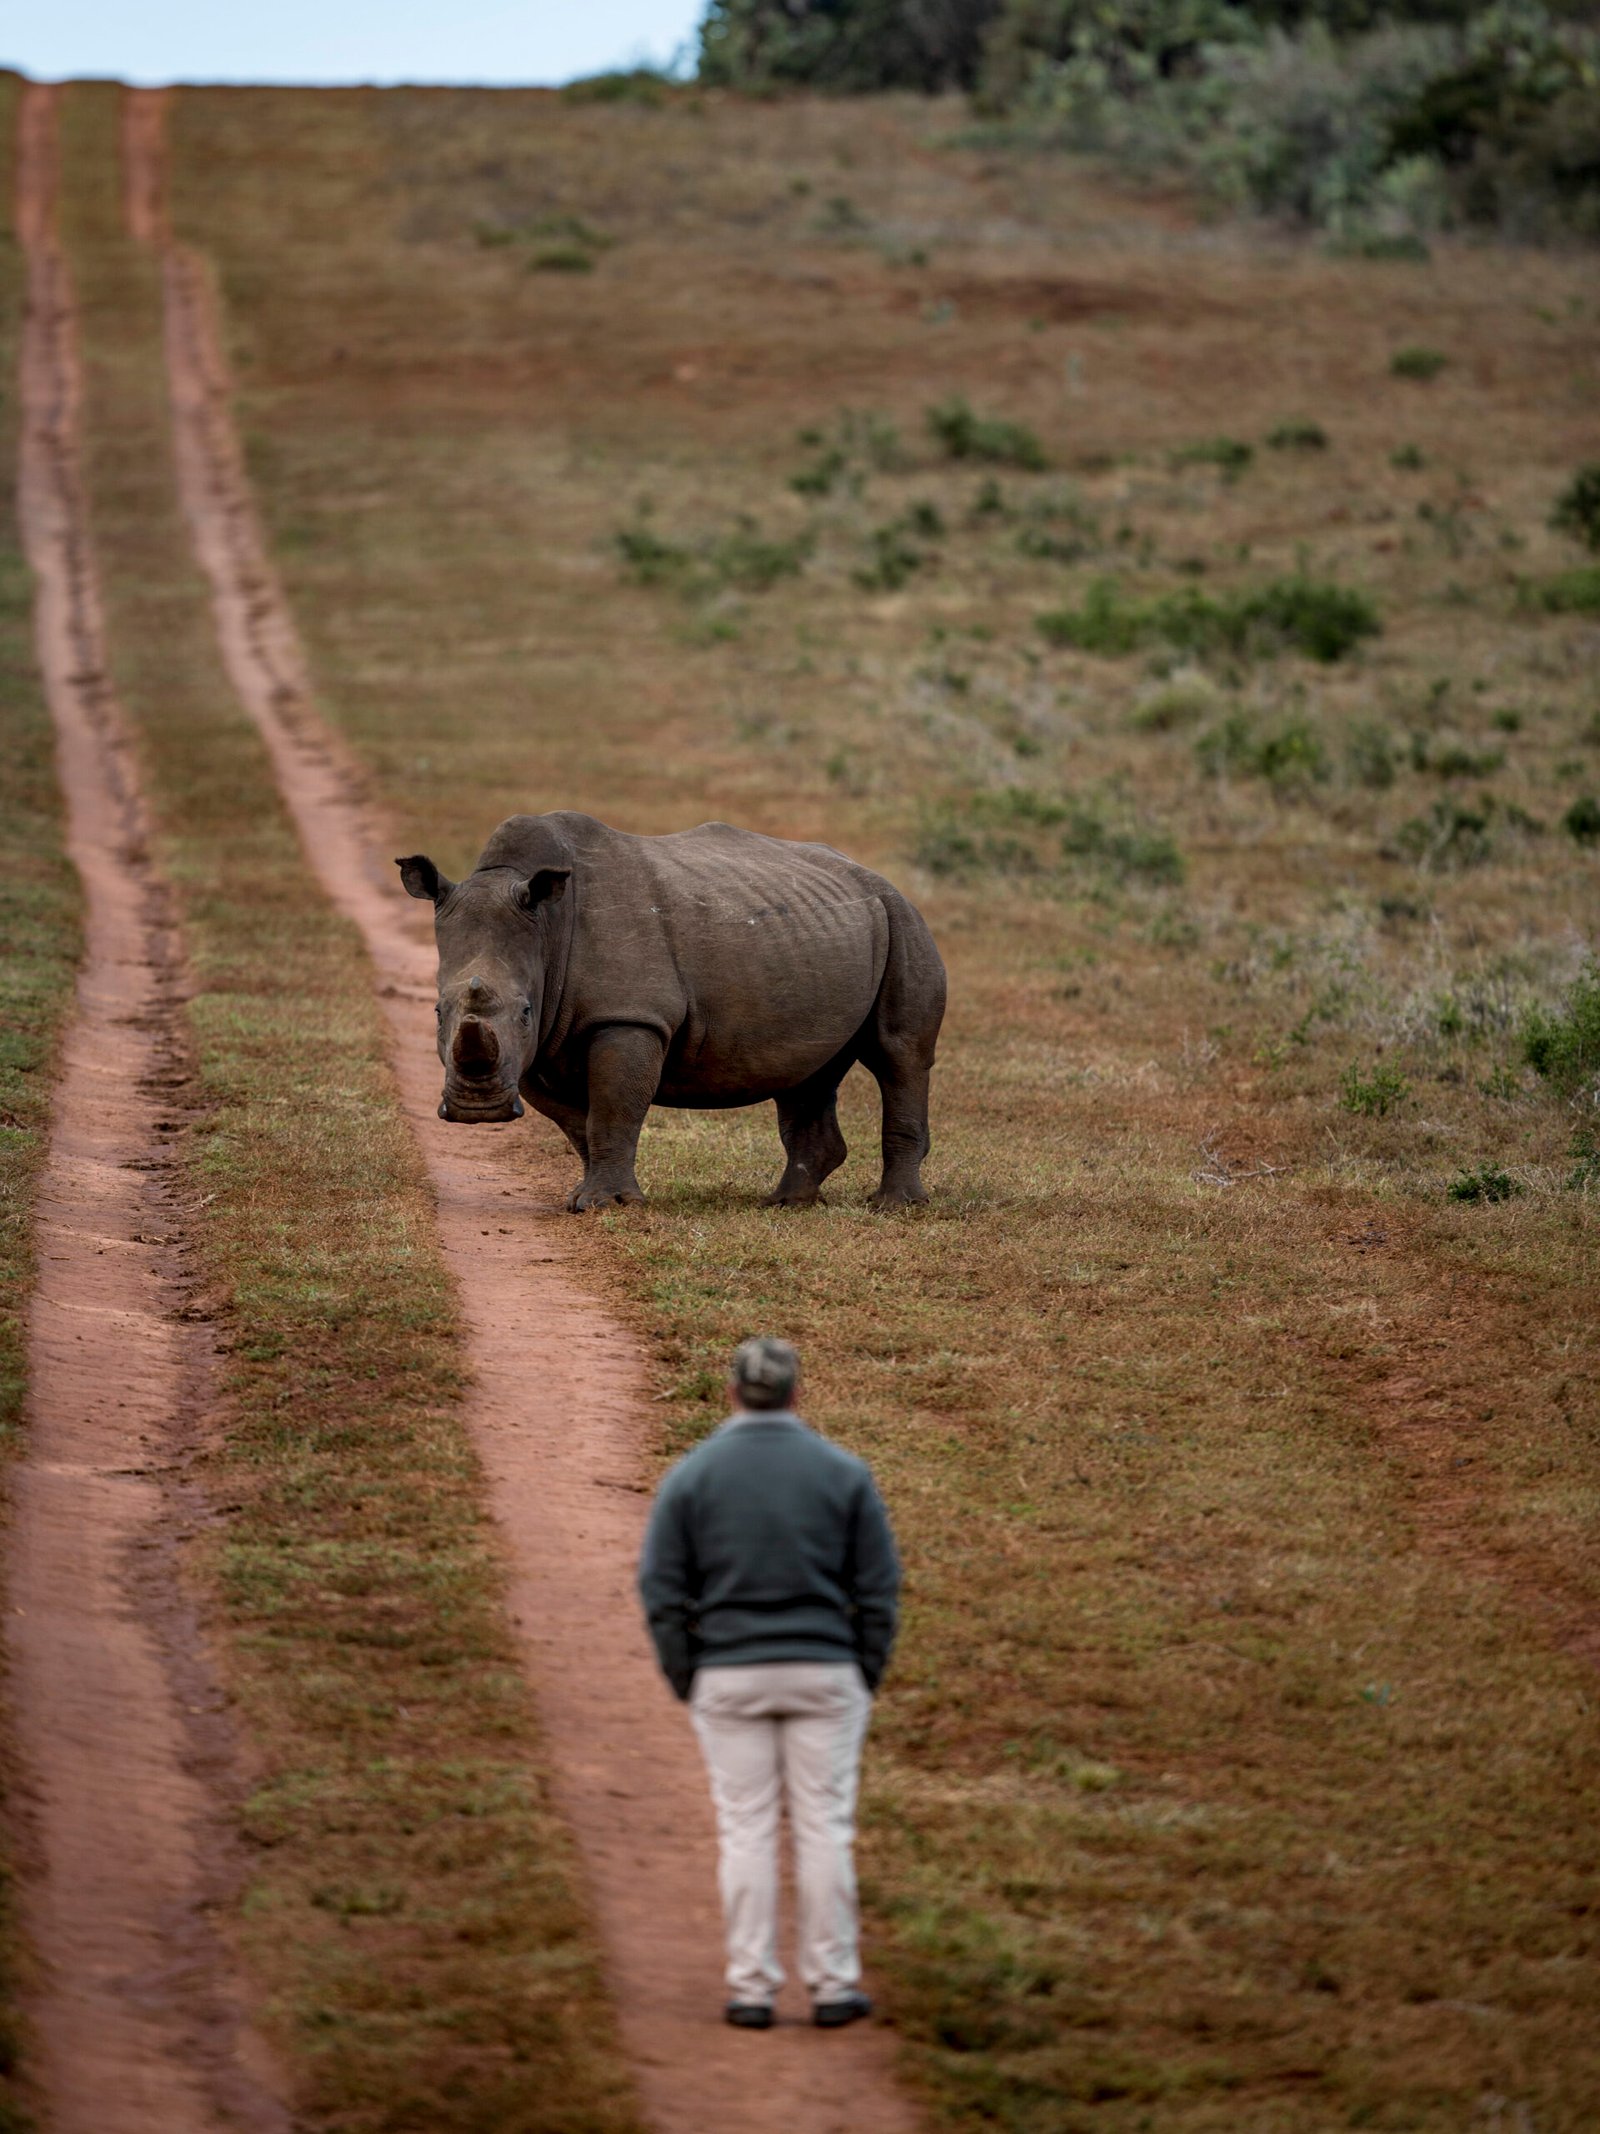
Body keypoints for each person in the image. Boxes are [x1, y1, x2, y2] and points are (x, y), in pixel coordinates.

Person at [637, 1336, 901, 2031]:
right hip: (825, 1671)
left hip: (728, 1673)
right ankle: (833, 1985)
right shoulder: (842, 1472)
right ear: (796, 1394)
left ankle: (751, 1989)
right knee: (823, 1828)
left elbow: (661, 1587)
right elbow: (878, 1589)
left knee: (746, 1829)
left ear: (732, 1393)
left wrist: (686, 1674)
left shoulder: (694, 1474)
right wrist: (862, 1670)